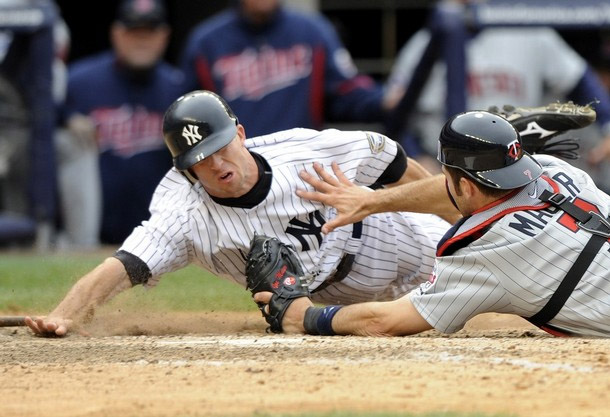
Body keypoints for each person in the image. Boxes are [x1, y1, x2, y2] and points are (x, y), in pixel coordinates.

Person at [25, 89, 453, 337]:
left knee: (495, 265)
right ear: (185, 169)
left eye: (220, 147)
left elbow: (395, 165)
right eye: (199, 159)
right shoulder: (184, 213)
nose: (215, 164)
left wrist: (460, 222)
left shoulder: (306, 152)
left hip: (400, 239)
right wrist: (64, 315)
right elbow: (123, 265)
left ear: (241, 135)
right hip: (328, 301)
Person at [255, 109, 610, 338]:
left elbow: (385, 321)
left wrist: (306, 317)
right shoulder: (558, 170)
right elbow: (470, 196)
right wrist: (372, 200)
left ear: (466, 184)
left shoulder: (480, 252)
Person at [385, 0, 610, 174]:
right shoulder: (422, 44)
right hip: (451, 173)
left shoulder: (527, 30)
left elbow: (580, 80)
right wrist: (416, 159)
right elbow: (396, 116)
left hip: (520, 166)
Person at [58, 0, 184, 247]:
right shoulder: (78, 83)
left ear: (164, 36)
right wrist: (65, 119)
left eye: (149, 32)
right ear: (116, 33)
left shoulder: (179, 88)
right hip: (90, 235)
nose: (141, 40)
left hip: (160, 238)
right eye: (133, 32)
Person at [179, 0, 385, 137]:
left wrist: (386, 99)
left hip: (302, 165)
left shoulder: (312, 31)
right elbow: (187, 119)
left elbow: (347, 91)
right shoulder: (205, 43)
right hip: (234, 171)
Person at [0, 0, 58, 248]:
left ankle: (73, 242)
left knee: (24, 147)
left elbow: (42, 95)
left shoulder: (40, 9)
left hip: (14, 123)